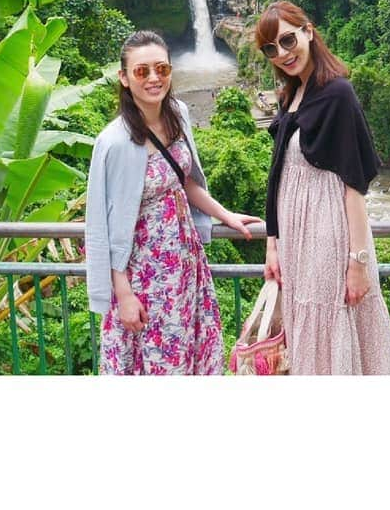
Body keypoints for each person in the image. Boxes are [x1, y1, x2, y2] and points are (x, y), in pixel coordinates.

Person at [85, 29, 261, 375]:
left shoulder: (177, 113)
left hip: (185, 266)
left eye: (162, 69)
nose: (154, 78)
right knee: (153, 361)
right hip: (143, 276)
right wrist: (123, 295)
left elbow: (186, 182)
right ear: (123, 78)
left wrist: (226, 215)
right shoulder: (114, 143)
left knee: (190, 354)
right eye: (141, 71)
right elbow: (101, 227)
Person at [255, 0, 390, 375]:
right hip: (297, 244)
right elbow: (279, 175)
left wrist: (358, 263)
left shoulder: (338, 94)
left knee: (329, 328)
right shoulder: (292, 95)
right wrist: (273, 243)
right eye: (271, 49)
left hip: (327, 238)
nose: (282, 54)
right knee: (307, 333)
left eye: (288, 40)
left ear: (308, 31)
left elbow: (354, 186)